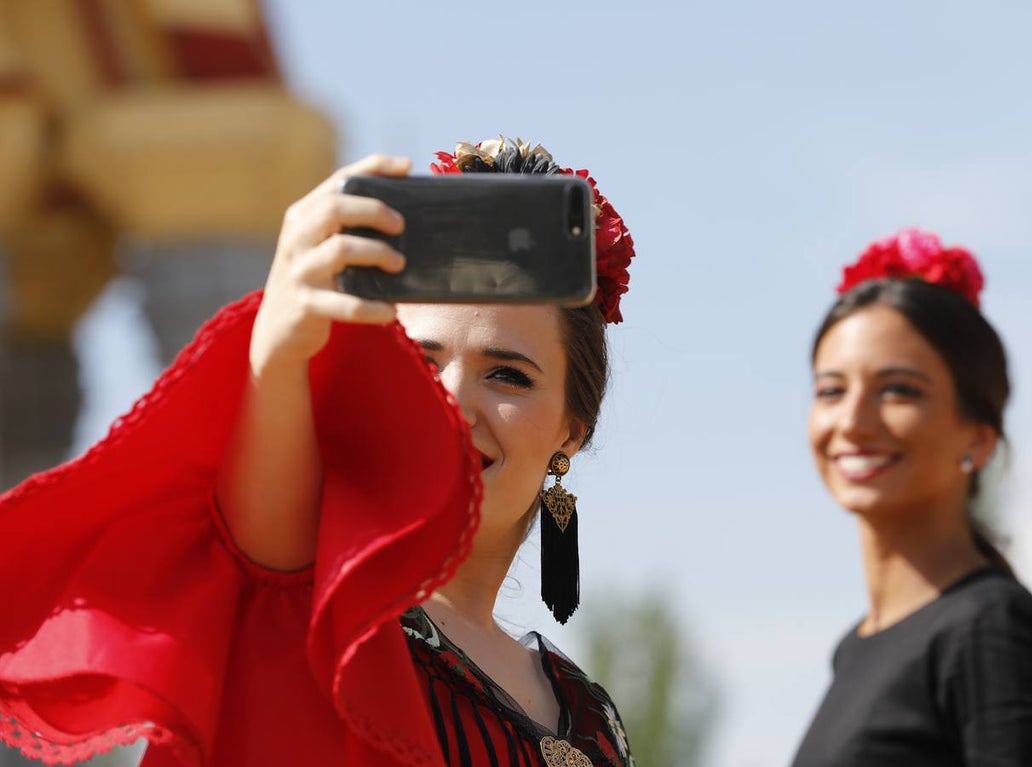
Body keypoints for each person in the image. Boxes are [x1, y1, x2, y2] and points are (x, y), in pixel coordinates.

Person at [0, 137, 635, 767]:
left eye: (508, 376)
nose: (454, 402)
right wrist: (277, 351)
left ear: (569, 432)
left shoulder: (590, 716)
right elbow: (263, 558)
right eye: (419, 362)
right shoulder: (322, 613)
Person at [791, 228, 1032, 767]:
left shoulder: (992, 629)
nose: (853, 422)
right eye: (831, 390)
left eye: (898, 389)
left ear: (978, 437)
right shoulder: (855, 649)